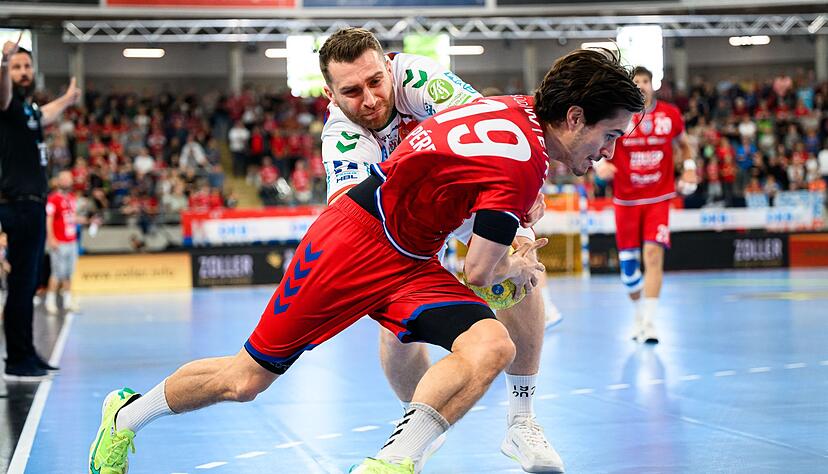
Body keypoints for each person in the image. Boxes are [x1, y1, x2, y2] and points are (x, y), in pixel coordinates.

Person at [88, 48, 642, 474]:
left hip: (413, 259)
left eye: (376, 81)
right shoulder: (516, 160)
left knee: (492, 344)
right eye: (610, 135)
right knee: (244, 380)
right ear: (573, 117)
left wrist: (511, 242)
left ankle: (392, 463)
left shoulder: (506, 106)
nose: (610, 152)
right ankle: (125, 414)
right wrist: (515, 267)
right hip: (350, 246)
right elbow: (479, 272)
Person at [318, 27, 562, 472]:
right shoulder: (341, 137)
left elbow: (500, 133)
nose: (369, 100)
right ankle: (419, 423)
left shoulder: (418, 78)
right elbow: (357, 225)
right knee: (397, 325)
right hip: (402, 217)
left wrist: (524, 195)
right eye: (352, 92)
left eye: (376, 82)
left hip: (461, 186)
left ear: (389, 67)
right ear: (329, 94)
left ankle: (521, 421)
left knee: (521, 261)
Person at [594, 66, 696, 344]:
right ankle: (639, 315)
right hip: (626, 200)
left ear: (653, 85)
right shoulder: (619, 115)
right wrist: (600, 165)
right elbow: (597, 143)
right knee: (629, 268)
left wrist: (689, 169)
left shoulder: (670, 114)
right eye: (636, 81)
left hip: (658, 198)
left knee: (653, 255)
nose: (641, 85)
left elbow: (684, 144)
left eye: (645, 81)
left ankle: (650, 323)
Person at [1, 34, 80, 380]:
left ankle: (27, 352)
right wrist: (3, 63)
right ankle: (17, 360)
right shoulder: (7, 105)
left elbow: (46, 113)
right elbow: (2, 94)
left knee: (28, 282)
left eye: (26, 66)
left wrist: (68, 99)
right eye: (17, 67)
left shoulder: (29, 110)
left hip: (33, 204)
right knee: (21, 284)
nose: (23, 72)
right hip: (17, 204)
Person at [44, 171, 80, 314]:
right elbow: (49, 219)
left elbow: (73, 218)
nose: (67, 181)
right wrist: (51, 238)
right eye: (64, 179)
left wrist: (88, 220)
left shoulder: (71, 198)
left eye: (69, 179)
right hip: (59, 242)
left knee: (69, 273)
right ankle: (50, 301)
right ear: (59, 181)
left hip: (72, 241)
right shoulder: (53, 199)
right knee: (56, 273)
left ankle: (67, 301)